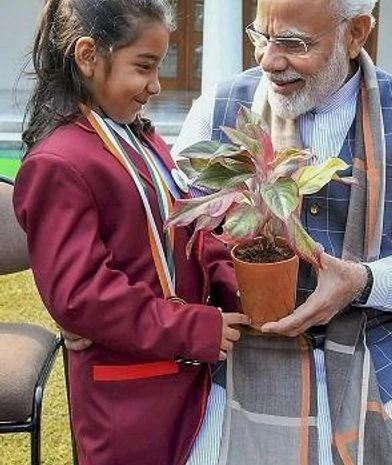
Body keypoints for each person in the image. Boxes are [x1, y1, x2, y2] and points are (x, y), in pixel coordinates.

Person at [172, 0, 392, 463]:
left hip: (377, 341)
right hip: (242, 343)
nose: (270, 61)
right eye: (261, 37)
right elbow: (173, 230)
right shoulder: (220, 107)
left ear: (355, 34)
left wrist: (363, 282)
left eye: (293, 43)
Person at [13, 1, 249, 464]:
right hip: (129, 399)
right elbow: (82, 295)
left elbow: (181, 231)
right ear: (88, 56)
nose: (155, 87)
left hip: (178, 378)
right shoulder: (59, 163)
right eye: (144, 67)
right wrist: (191, 328)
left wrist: (237, 285)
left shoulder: (139, 137)